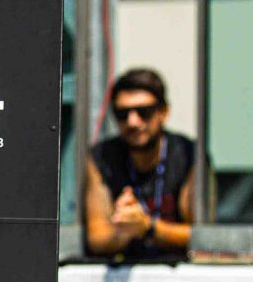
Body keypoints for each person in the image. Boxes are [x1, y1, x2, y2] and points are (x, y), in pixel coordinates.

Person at [83, 67, 194, 261]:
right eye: (122, 114)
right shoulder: (103, 157)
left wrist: (147, 227)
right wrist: (125, 231)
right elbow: (96, 238)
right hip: (122, 269)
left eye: (144, 112)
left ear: (164, 112)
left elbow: (201, 236)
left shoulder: (187, 154)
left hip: (178, 271)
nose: (133, 122)